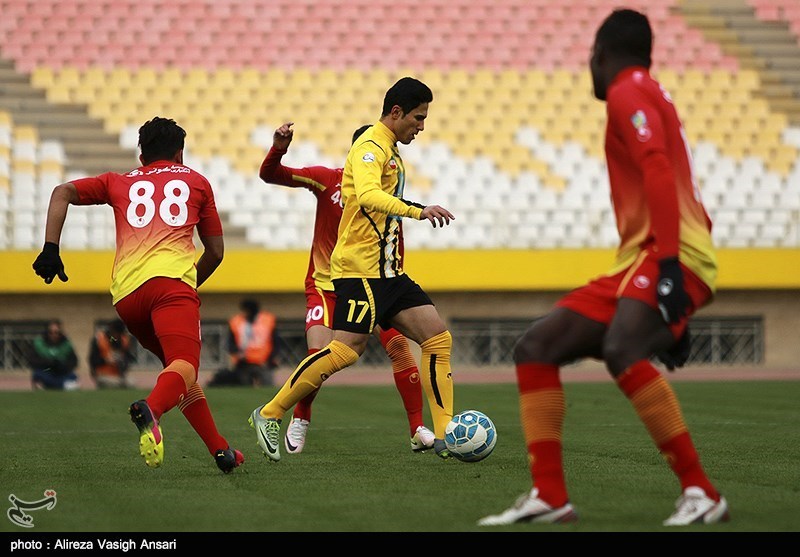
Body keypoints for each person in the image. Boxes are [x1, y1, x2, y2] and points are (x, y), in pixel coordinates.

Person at [478, 9, 729, 527]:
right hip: (645, 258)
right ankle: (550, 496)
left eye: (589, 60)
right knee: (537, 348)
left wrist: (667, 269)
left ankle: (702, 492)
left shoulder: (626, 92)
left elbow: (658, 167)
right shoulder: (650, 89)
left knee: (620, 349)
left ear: (600, 55)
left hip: (667, 252)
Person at [249, 77, 455, 462]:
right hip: (360, 273)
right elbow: (370, 195)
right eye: (418, 117)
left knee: (437, 339)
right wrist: (418, 210)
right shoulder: (369, 148)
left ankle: (446, 434)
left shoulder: (389, 149)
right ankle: (269, 413)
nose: (422, 126)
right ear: (396, 112)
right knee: (344, 351)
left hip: (388, 273)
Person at [32, 116, 244, 474]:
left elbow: (62, 192)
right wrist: (187, 286)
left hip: (127, 297)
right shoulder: (196, 181)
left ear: (141, 154)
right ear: (180, 153)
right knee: (186, 366)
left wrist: (51, 248)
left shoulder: (118, 181)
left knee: (179, 373)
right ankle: (152, 411)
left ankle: (221, 450)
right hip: (171, 287)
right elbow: (217, 253)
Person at [209, 298, 279, 387]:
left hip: (264, 362)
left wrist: (273, 357)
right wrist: (236, 353)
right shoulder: (236, 321)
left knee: (267, 386)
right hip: (244, 362)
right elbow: (231, 342)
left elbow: (276, 341)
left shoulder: (267, 320)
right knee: (244, 387)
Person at [28, 319, 79, 391]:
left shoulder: (67, 344)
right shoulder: (39, 343)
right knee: (37, 374)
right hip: (46, 371)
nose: (53, 335)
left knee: (73, 376)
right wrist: (47, 362)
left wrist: (62, 365)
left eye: (56, 332)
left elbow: (74, 361)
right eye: (50, 332)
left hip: (61, 372)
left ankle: (49, 386)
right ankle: (63, 386)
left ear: (60, 332)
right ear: (47, 332)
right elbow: (32, 361)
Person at [89, 319, 135, 389]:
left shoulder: (123, 340)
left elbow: (130, 358)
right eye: (116, 334)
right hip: (102, 375)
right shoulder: (99, 339)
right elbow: (92, 360)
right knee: (118, 384)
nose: (117, 337)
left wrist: (122, 360)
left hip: (118, 376)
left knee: (132, 383)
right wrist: (106, 360)